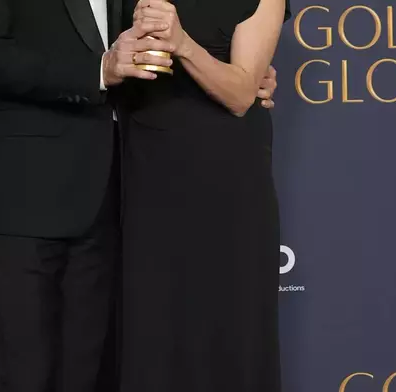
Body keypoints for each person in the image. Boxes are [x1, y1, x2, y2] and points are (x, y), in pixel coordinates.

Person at [0, 0, 280, 391]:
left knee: (95, 374)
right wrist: (99, 71)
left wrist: (243, 71)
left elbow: (169, 52)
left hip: (118, 194)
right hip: (23, 192)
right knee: (23, 373)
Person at [118, 0, 291, 391]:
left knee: (229, 321)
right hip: (144, 171)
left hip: (226, 177)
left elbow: (242, 94)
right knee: (153, 329)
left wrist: (183, 44)